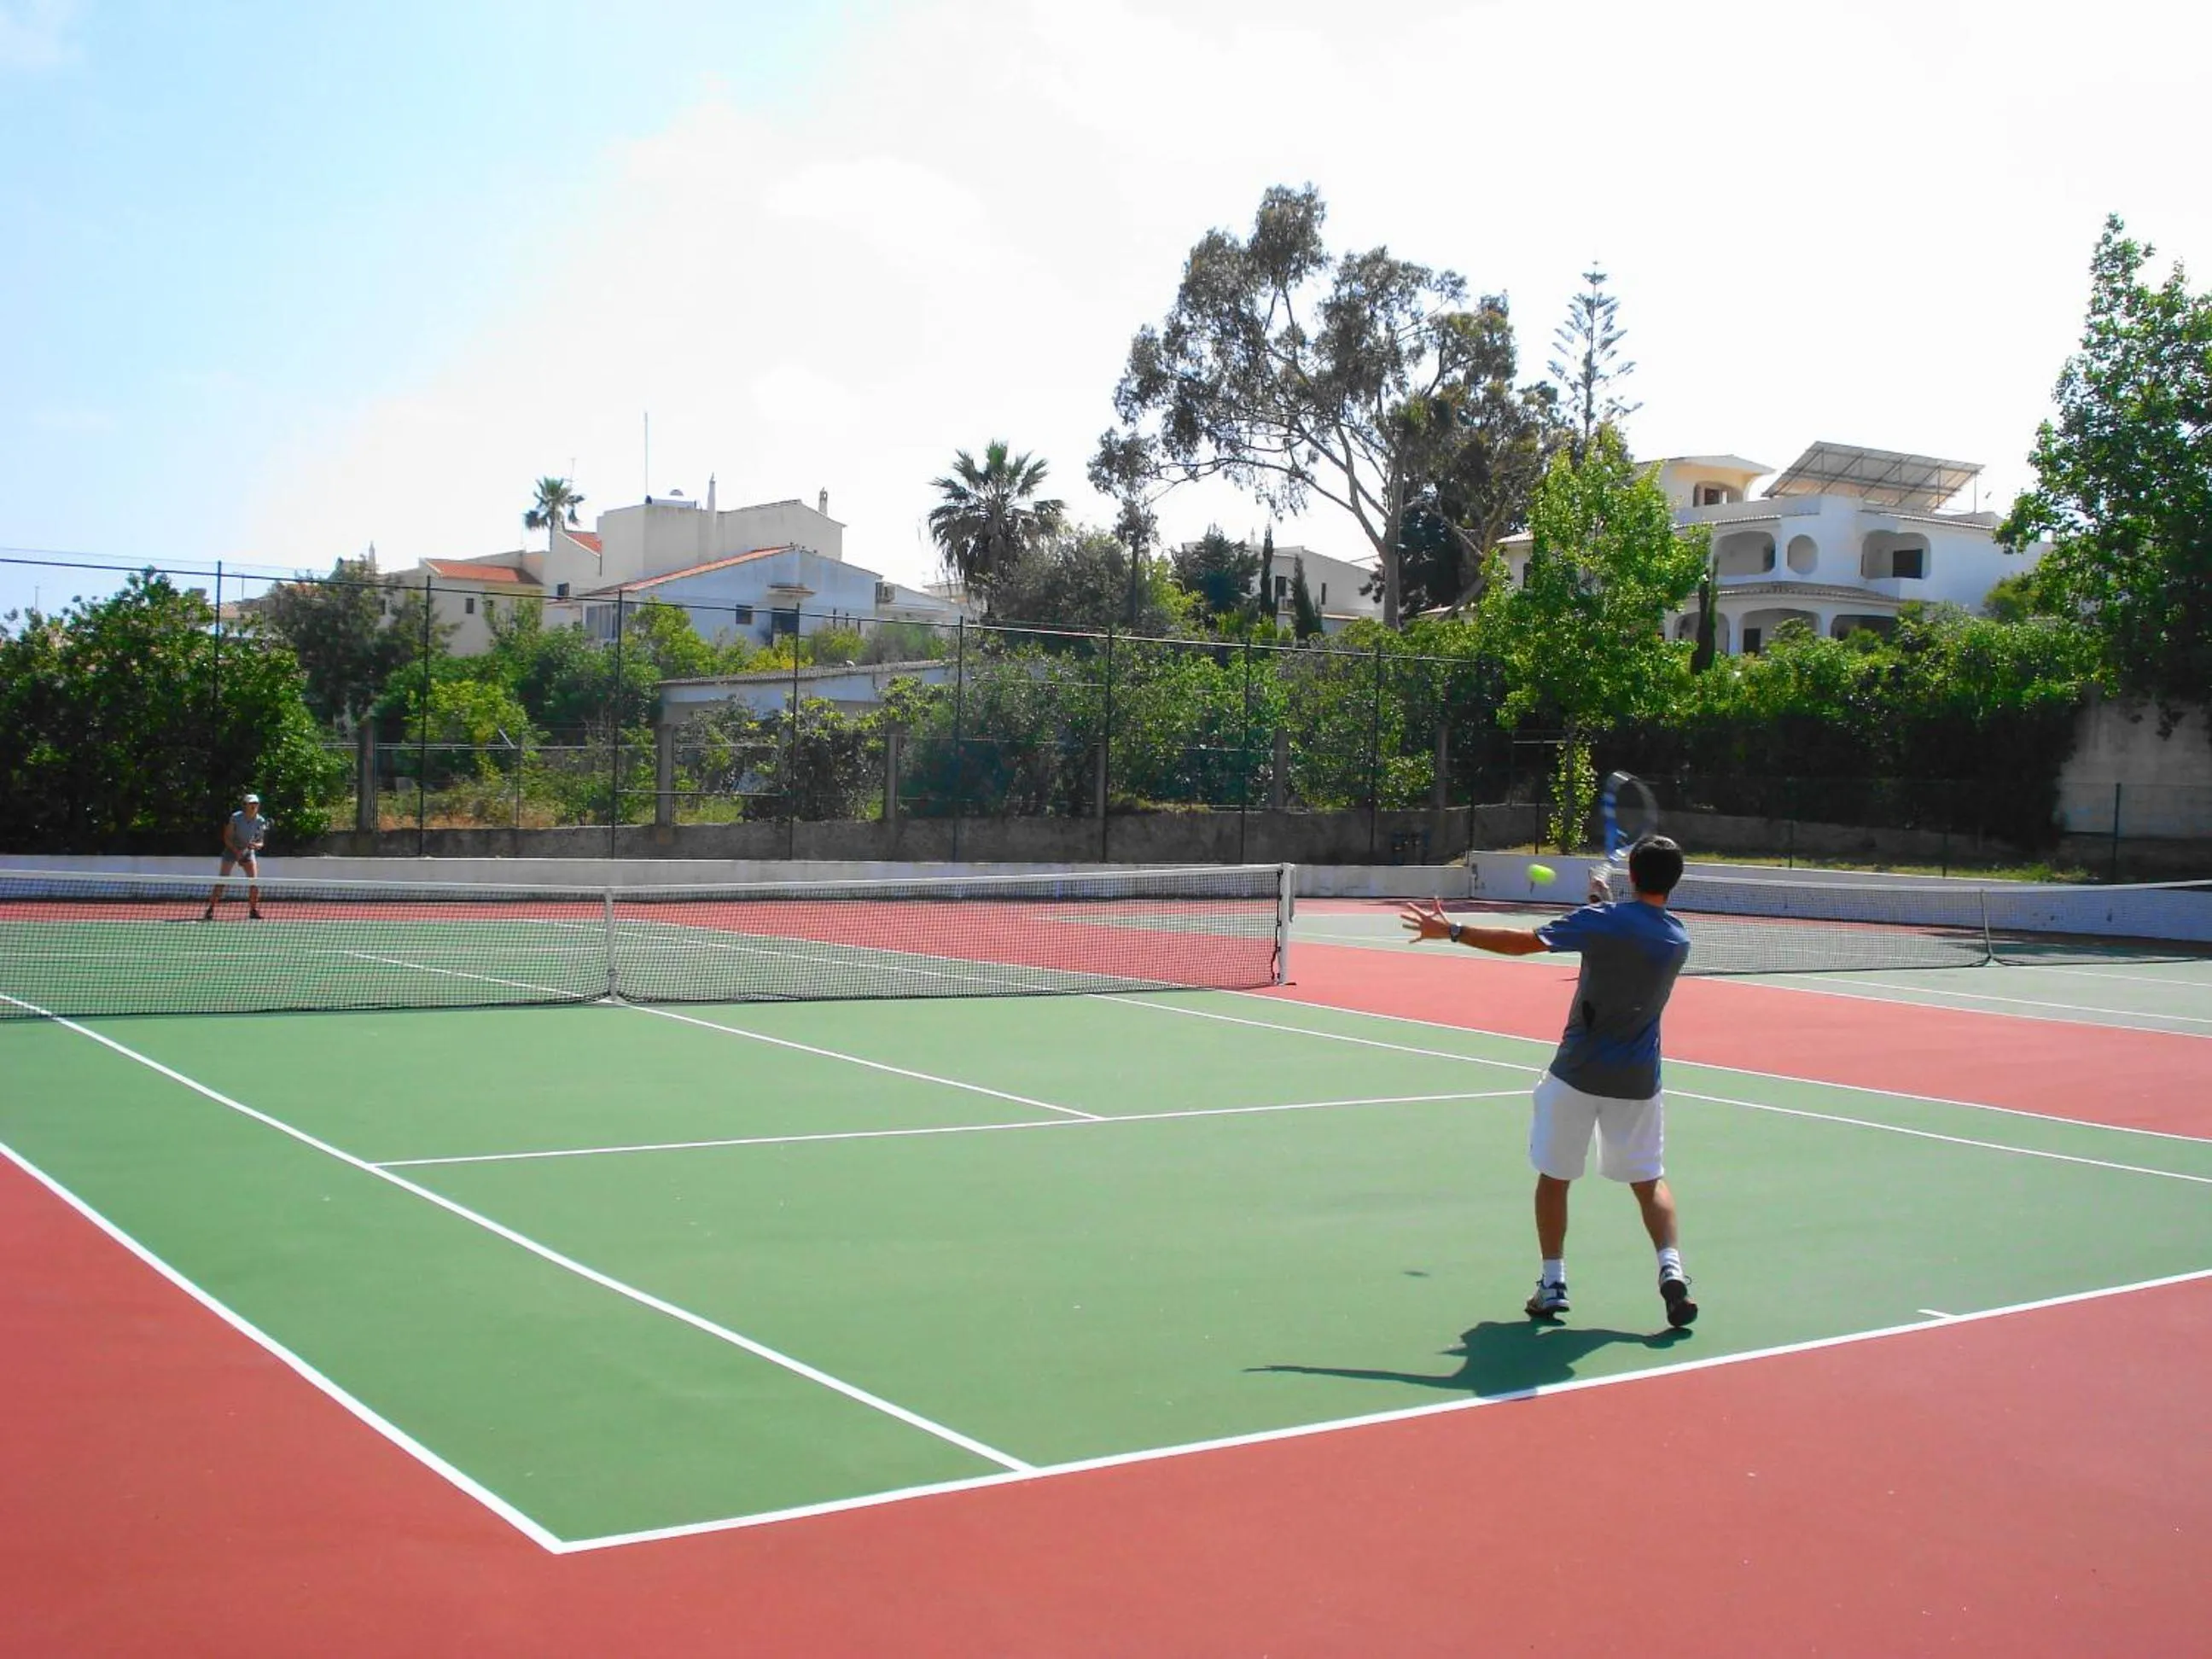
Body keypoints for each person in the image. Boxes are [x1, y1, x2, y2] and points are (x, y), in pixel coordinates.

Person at [1400, 836, 1697, 1330]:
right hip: (1639, 1081)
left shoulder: (1603, 923)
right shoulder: (1676, 940)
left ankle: (1553, 1282)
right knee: (1649, 1181)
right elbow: (1623, 938)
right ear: (1674, 881)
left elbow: (1524, 943)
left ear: (1635, 876)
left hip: (1577, 1074)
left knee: (1554, 1179)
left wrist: (1452, 930)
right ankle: (1673, 1271)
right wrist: (1602, 903)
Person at [203, 791, 269, 921]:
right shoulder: (235, 817)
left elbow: (261, 841)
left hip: (248, 852)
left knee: (254, 883)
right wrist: (236, 851)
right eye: (251, 804)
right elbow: (227, 838)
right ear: (245, 805)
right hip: (231, 850)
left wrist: (256, 846)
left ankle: (253, 910)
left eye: (256, 803)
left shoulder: (260, 820)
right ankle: (210, 909)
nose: (254, 806)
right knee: (222, 881)